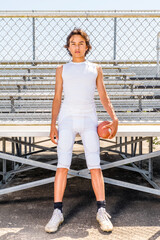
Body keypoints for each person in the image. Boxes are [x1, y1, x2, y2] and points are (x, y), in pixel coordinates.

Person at [45, 28, 118, 233]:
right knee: (62, 165)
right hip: (67, 120)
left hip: (89, 120)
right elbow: (57, 98)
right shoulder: (62, 69)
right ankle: (57, 212)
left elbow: (103, 95)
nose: (77, 47)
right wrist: (53, 124)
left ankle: (102, 210)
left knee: (95, 165)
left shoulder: (95, 68)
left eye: (81, 43)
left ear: (87, 46)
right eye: (73, 43)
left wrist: (114, 117)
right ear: (68, 47)